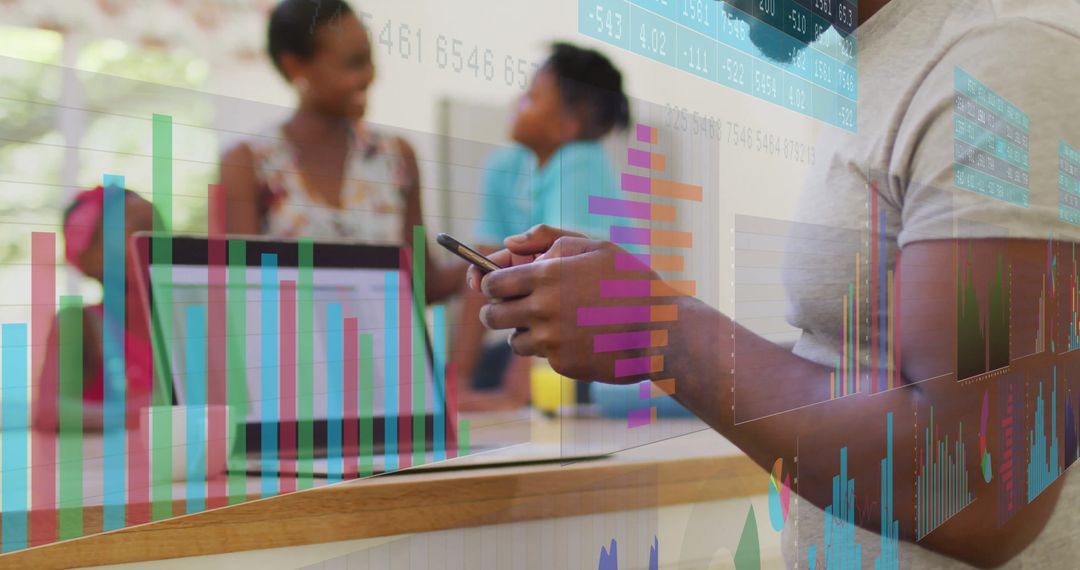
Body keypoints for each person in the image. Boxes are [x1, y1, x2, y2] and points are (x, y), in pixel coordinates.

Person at [469, 0, 1080, 567]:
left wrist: (660, 330)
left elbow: (980, 485)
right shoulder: (888, 64)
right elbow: (865, 369)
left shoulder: (1004, 56)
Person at [217, 0, 461, 302]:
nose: (370, 75)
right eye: (353, 63)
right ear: (295, 66)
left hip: (390, 348)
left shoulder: (396, 157)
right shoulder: (249, 163)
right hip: (294, 349)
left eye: (369, 59)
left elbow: (423, 284)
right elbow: (242, 293)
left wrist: (496, 259)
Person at [455, 42, 630, 410]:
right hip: (543, 339)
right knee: (475, 376)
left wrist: (515, 394)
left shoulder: (581, 164)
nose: (517, 102)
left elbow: (558, 286)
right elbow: (477, 276)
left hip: (601, 340)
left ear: (566, 125)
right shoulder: (504, 167)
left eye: (531, 97)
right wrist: (453, 384)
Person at [35, 186, 157, 432]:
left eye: (161, 226)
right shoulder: (79, 323)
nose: (160, 239)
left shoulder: (185, 322)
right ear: (91, 258)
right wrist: (141, 413)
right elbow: (48, 412)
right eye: (142, 228)